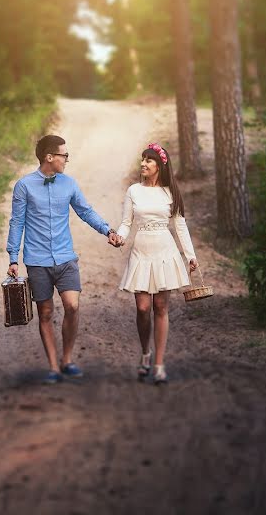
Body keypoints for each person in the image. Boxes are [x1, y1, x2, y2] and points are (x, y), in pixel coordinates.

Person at [7, 134, 122, 384]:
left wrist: (108, 231)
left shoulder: (69, 184)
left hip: (66, 258)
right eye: (64, 155)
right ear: (50, 157)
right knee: (45, 313)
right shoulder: (24, 186)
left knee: (72, 305)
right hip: (37, 261)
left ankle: (67, 359)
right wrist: (13, 258)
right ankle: (53, 367)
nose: (66, 160)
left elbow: (85, 211)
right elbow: (16, 222)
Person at [115, 142, 199, 384]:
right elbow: (126, 222)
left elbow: (180, 226)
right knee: (142, 308)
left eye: (149, 160)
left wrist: (190, 255)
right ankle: (145, 353)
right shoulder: (133, 191)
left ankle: (159, 364)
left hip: (165, 251)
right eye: (142, 159)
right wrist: (120, 236)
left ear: (160, 165)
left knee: (161, 308)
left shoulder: (171, 192)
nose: (143, 163)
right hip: (141, 250)